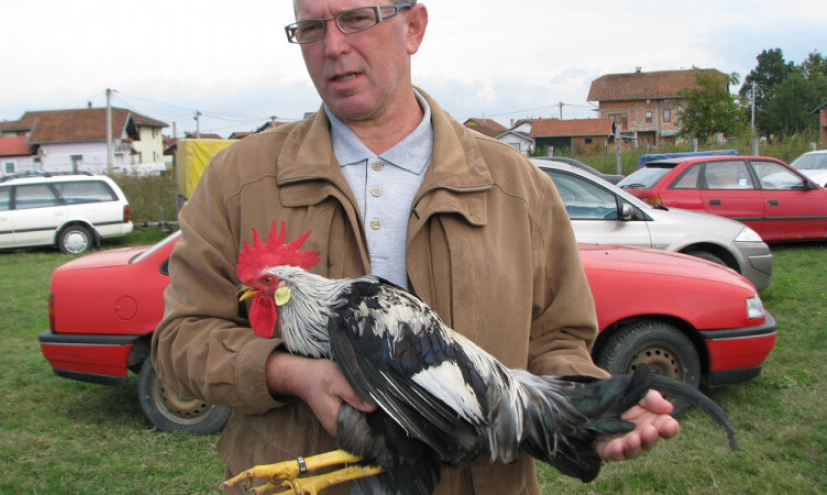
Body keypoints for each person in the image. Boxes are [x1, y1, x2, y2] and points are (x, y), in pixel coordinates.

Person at [152, 1, 680, 494]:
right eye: (311, 28)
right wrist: (291, 373)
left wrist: (582, 404)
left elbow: (559, 337)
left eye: (356, 18)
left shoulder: (517, 186)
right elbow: (180, 341)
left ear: (413, 28)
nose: (332, 46)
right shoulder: (237, 178)